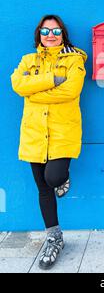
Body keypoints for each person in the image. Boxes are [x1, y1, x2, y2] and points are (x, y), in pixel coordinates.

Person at [11, 15, 87, 270]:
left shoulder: (75, 59)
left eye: (55, 31)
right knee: (43, 189)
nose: (50, 35)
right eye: (45, 31)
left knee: (53, 178)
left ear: (63, 34)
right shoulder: (28, 60)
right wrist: (51, 80)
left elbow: (71, 91)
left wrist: (34, 94)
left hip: (62, 131)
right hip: (34, 133)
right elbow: (17, 84)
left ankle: (63, 178)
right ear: (39, 35)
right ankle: (54, 237)